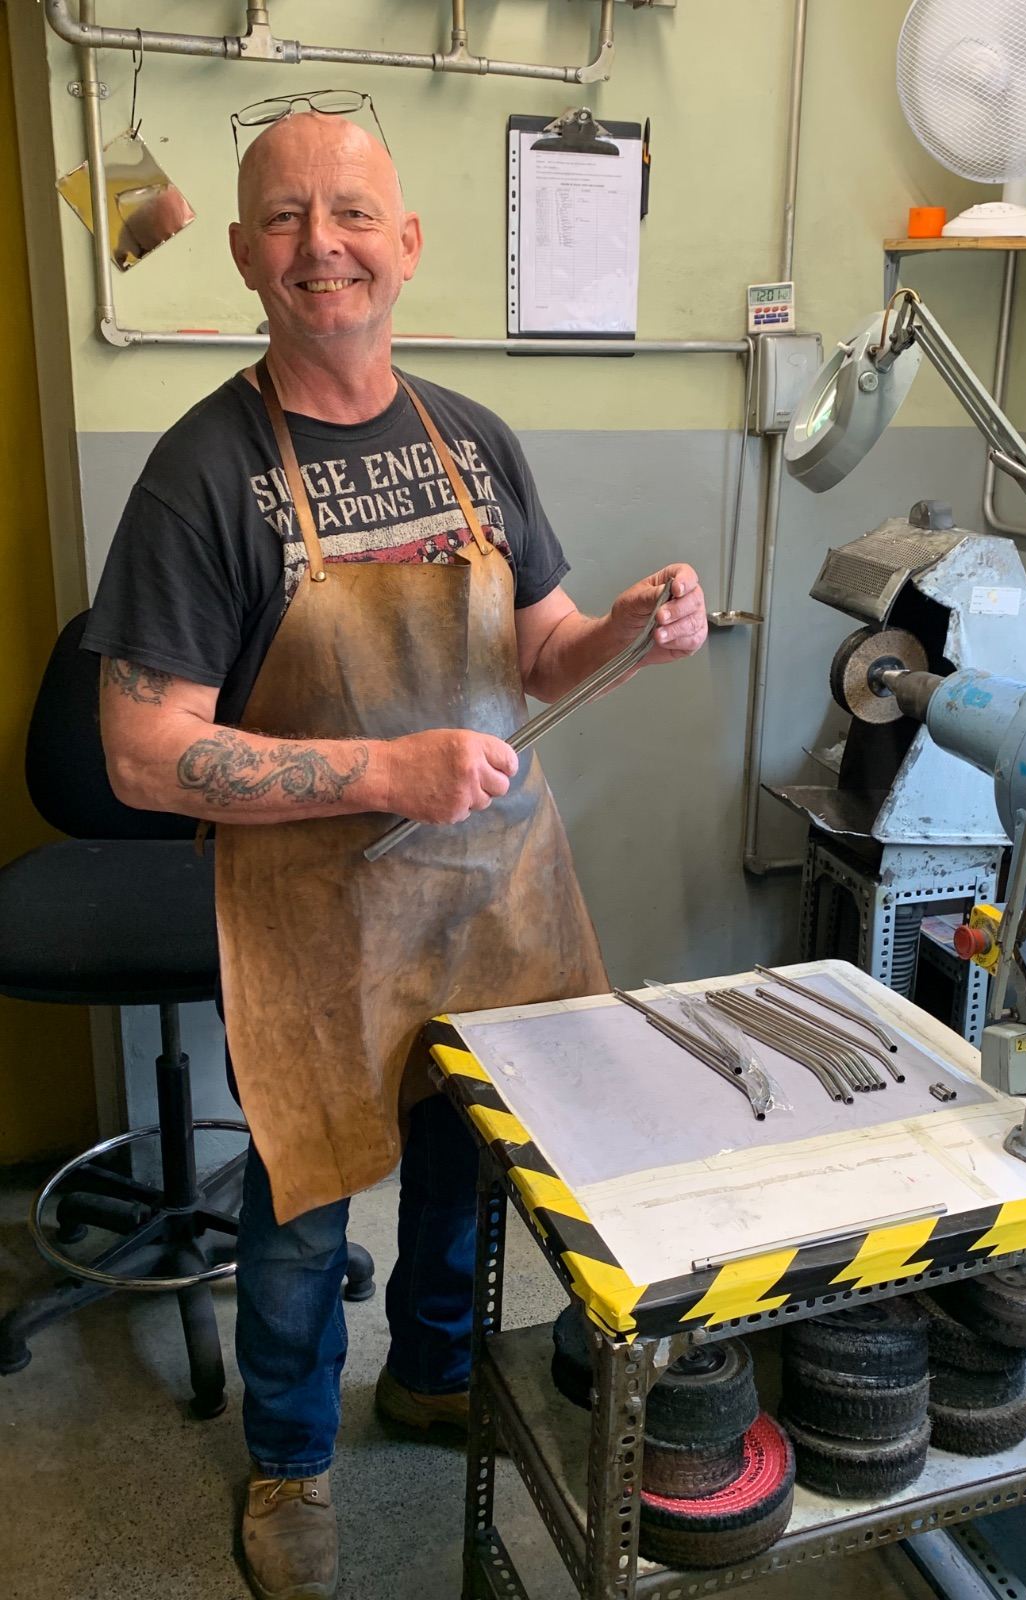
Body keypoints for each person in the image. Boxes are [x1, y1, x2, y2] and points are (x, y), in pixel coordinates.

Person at [83, 108, 708, 1600]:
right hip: (317, 917)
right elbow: (143, 750)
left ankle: (430, 1374)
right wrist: (383, 771)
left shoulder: (472, 441)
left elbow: (541, 653)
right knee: (305, 1207)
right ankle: (292, 1465)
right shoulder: (202, 473)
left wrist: (626, 628)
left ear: (407, 244)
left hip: (495, 893)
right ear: (248, 257)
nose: (325, 245)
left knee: (464, 1165)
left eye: (354, 212)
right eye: (286, 218)